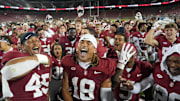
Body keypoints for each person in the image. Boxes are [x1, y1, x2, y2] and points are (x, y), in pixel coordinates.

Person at [61, 34, 135, 101]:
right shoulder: (68, 62)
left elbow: (107, 93)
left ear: (94, 50)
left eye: (88, 43)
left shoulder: (105, 65)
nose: (84, 45)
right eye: (82, 42)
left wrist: (121, 64)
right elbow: (65, 89)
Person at [0, 32, 52, 101]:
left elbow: (46, 87)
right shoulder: (13, 55)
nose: (36, 43)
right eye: (30, 41)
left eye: (37, 40)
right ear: (22, 46)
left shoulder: (47, 57)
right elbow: (10, 72)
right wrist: (39, 58)